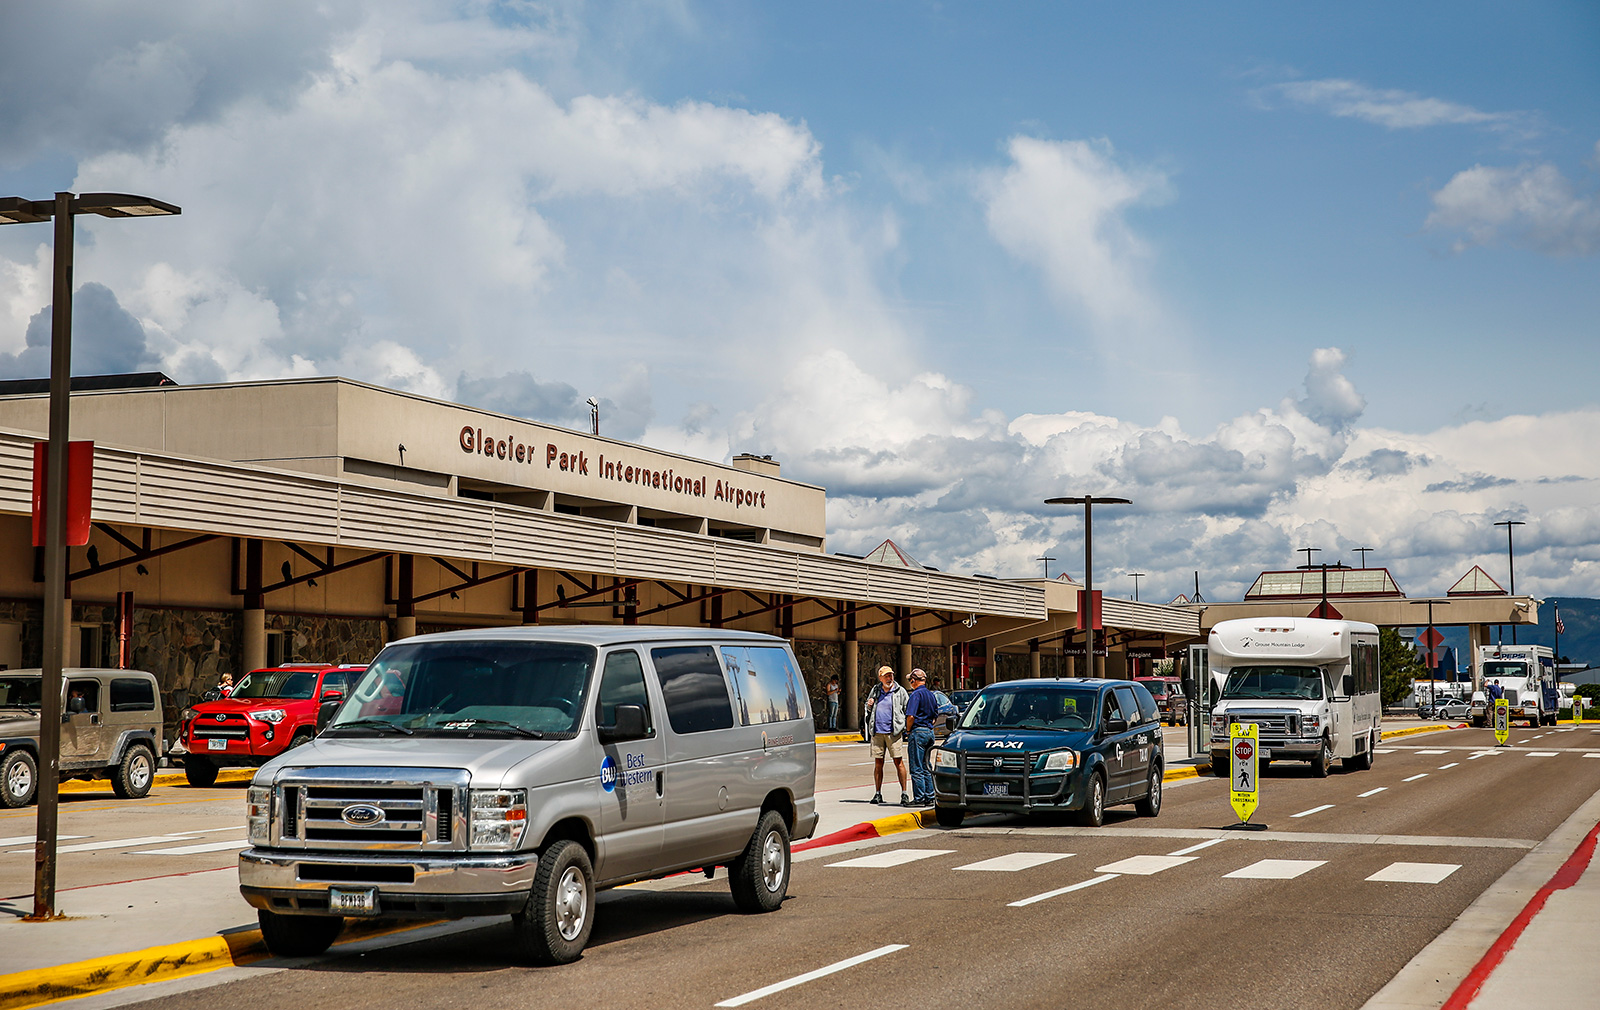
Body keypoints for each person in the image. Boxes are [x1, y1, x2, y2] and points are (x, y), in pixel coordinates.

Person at [863, 665, 910, 806]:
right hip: (878, 732)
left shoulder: (900, 691)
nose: (889, 678)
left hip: (893, 733)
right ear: (880, 678)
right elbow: (869, 705)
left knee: (898, 762)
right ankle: (877, 793)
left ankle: (904, 793)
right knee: (878, 763)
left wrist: (904, 727)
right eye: (886, 676)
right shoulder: (876, 690)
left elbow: (907, 709)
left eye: (891, 675)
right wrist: (869, 705)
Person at [904, 668, 939, 806]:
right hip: (929, 732)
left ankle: (919, 798)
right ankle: (930, 796)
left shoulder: (915, 695)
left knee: (916, 767)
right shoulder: (931, 695)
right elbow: (935, 717)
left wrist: (908, 730)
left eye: (910, 680)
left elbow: (911, 716)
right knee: (926, 765)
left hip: (917, 732)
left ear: (913, 680)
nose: (910, 682)